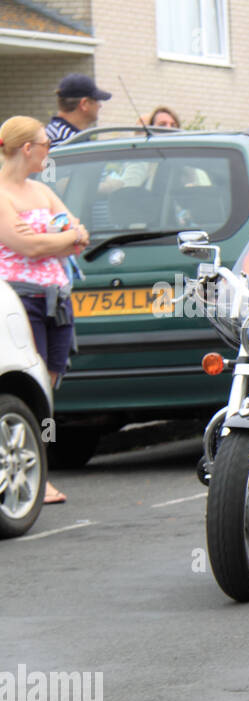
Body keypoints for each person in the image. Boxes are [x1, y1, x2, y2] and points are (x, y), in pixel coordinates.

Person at [0, 116, 91, 504]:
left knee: (50, 386)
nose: (48, 152)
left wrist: (61, 236)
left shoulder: (41, 190)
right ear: (26, 149)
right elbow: (27, 247)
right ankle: (40, 476)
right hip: (21, 299)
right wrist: (63, 237)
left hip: (56, 297)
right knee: (32, 386)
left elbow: (79, 233)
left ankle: (39, 465)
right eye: (45, 145)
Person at [46, 74, 111, 147]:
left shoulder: (57, 134)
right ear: (84, 104)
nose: (100, 105)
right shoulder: (65, 141)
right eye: (97, 100)